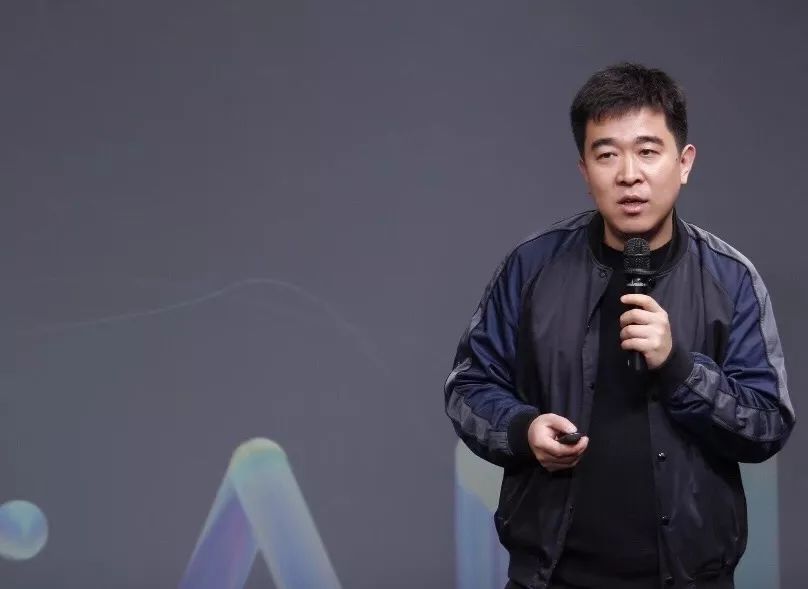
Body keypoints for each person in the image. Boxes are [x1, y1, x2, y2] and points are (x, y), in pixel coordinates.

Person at [444, 63, 795, 589]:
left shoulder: (729, 278)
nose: (629, 174)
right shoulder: (532, 267)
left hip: (689, 577)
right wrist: (523, 430)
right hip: (552, 575)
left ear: (684, 162)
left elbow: (767, 423)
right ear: (585, 172)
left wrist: (678, 368)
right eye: (606, 154)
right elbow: (468, 387)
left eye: (648, 151)